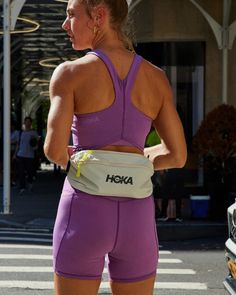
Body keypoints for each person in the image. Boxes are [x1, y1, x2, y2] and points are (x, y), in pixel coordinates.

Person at [44, 1, 187, 294]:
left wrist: (94, 161)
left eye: (71, 15)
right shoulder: (156, 78)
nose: (65, 25)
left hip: (84, 213)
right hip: (138, 219)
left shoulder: (70, 73)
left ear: (99, 16)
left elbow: (54, 150)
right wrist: (131, 162)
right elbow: (177, 155)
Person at [15, 116, 38, 194]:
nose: (27, 123)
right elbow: (18, 144)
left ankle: (30, 183)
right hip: (21, 154)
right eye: (26, 121)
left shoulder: (34, 133)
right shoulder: (21, 133)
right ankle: (22, 187)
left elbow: (36, 145)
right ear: (24, 123)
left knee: (29, 171)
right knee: (21, 172)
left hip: (30, 155)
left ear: (31, 123)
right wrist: (15, 154)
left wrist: (34, 144)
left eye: (29, 121)